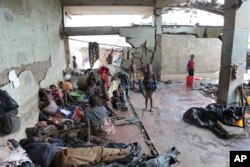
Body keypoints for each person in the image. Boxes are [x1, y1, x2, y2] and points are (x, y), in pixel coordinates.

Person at [20, 137, 133, 167]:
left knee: (96, 158)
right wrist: (50, 140)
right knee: (96, 150)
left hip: (61, 161)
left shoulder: (29, 153)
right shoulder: (40, 146)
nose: (38, 138)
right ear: (30, 141)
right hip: (64, 156)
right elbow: (59, 143)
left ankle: (118, 157)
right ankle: (121, 151)